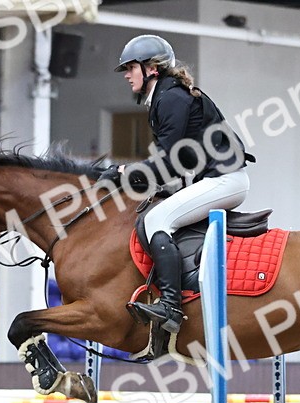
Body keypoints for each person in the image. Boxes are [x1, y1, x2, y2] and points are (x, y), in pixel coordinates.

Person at [104, 35, 252, 336]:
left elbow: (169, 163)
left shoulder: (170, 98)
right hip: (215, 178)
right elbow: (180, 162)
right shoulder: (166, 96)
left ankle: (172, 305)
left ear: (152, 69)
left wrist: (125, 172)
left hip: (225, 180)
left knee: (157, 220)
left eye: (131, 68)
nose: (127, 76)